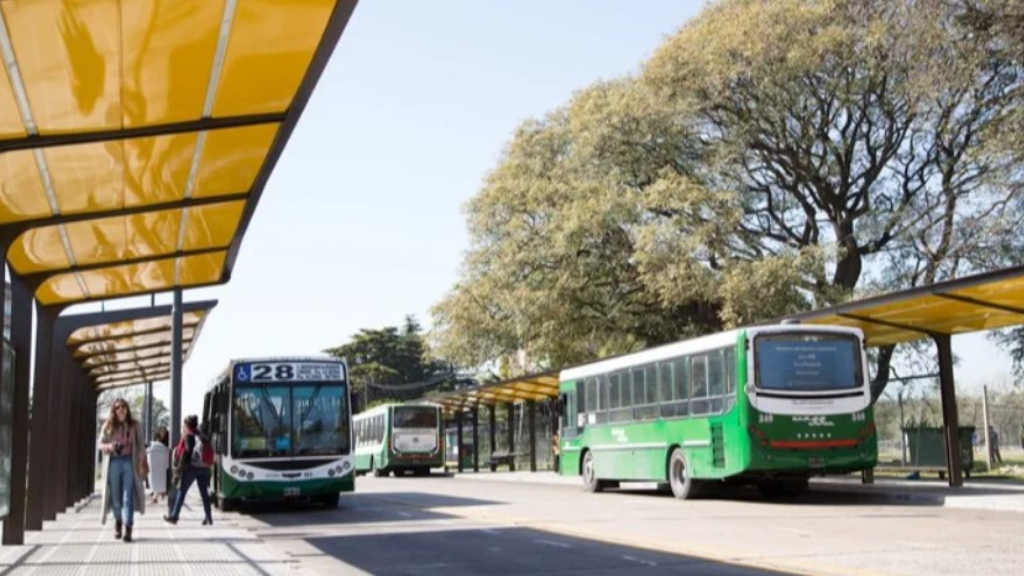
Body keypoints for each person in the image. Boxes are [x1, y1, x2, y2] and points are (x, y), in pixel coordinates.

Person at [99, 399, 148, 543]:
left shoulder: (134, 425)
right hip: (114, 462)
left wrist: (140, 461)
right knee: (115, 496)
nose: (121, 409)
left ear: (127, 409)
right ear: (113, 411)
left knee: (128, 496)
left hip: (129, 462)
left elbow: (141, 445)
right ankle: (118, 523)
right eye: (117, 407)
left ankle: (129, 528)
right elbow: (100, 444)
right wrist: (110, 446)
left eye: (123, 407)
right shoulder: (108, 426)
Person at [165, 415, 213, 525]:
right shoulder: (201, 435)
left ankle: (174, 516)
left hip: (192, 468)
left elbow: (187, 451)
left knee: (181, 492)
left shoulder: (188, 435)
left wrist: (181, 466)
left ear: (186, 425)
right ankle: (208, 517)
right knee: (204, 494)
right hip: (205, 468)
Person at [147, 427, 170, 504]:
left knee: (160, 478)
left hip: (161, 463)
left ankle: (156, 495)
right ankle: (157, 494)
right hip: (159, 463)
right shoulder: (160, 443)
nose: (162, 434)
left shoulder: (165, 443)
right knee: (158, 478)